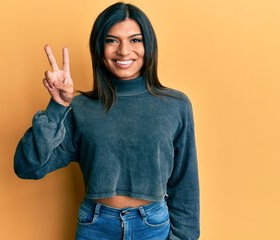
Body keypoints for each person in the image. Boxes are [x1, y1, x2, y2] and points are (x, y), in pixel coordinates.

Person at [14, 2, 199, 240]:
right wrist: (57, 106)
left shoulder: (175, 105)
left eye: (135, 40)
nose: (123, 51)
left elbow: (185, 184)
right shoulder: (81, 108)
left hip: (153, 227)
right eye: (112, 40)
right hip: (96, 227)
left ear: (148, 46)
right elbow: (28, 167)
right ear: (99, 47)